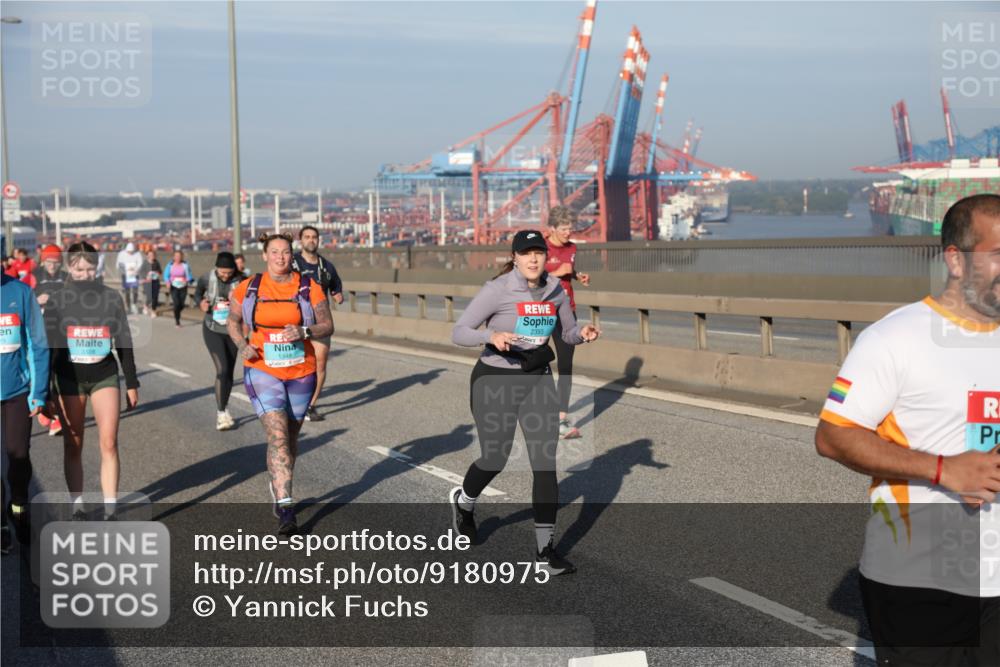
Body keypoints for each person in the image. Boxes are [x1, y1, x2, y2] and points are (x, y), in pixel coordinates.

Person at [815, 194, 1000, 665]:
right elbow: (833, 435)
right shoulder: (895, 338)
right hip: (919, 579)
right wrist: (943, 469)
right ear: (956, 260)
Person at [450, 229, 600, 575]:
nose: (533, 259)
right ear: (514, 257)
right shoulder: (497, 290)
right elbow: (459, 331)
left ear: (546, 256)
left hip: (536, 379)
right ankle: (464, 503)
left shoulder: (556, 289)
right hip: (494, 379)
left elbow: (566, 333)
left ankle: (544, 553)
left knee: (544, 464)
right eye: (526, 253)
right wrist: (491, 335)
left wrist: (582, 334)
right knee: (495, 458)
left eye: (539, 252)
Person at [227, 233, 333, 535]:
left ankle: (278, 482)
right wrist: (241, 344)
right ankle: (286, 508)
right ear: (265, 256)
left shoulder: (308, 287)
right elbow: (232, 321)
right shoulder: (249, 287)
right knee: (278, 436)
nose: (280, 257)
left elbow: (328, 324)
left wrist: (304, 331)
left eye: (286, 252)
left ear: (292, 255)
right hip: (262, 368)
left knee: (291, 436)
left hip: (301, 370)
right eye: (274, 252)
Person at [44, 242, 140, 521]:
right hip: (68, 378)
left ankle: (110, 509)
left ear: (97, 267)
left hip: (104, 375)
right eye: (79, 269)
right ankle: (78, 505)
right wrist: (46, 390)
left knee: (109, 442)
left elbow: (124, 341)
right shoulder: (57, 301)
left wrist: (132, 382)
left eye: (89, 269)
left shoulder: (111, 297)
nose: (85, 274)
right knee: (73, 444)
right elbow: (49, 348)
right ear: (69, 267)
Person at [0, 273, 49, 553]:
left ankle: (18, 506)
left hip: (17, 392)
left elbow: (37, 342)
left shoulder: (20, 292)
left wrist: (38, 391)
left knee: (18, 456)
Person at [544, 206, 590, 439]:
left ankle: (560, 420)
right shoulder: (540, 248)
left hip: (566, 311)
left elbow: (567, 269)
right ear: (552, 228)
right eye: (563, 229)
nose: (567, 233)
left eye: (569, 229)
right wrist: (557, 271)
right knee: (536, 362)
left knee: (565, 366)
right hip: (541, 311)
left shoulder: (572, 248)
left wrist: (576, 274)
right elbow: (529, 275)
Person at [291, 225, 343, 421]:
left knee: (320, 364)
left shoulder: (326, 266)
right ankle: (293, 400)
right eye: (307, 237)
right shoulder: (291, 263)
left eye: (314, 237)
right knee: (296, 363)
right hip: (296, 321)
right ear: (301, 240)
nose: (311, 240)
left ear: (318, 240)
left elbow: (336, 286)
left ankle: (310, 406)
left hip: (320, 323)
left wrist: (337, 294)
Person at [194, 252, 244, 431]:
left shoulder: (242, 280)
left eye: (229, 273)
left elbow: (252, 302)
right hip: (213, 329)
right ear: (216, 268)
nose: (226, 276)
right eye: (222, 273)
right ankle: (221, 413)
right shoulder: (206, 278)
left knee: (229, 372)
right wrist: (201, 303)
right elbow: (197, 294)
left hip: (233, 331)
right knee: (222, 369)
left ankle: (224, 407)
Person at [31, 244, 67, 437]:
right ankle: (44, 404)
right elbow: (22, 300)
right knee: (41, 373)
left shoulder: (67, 278)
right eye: (49, 261)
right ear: (43, 261)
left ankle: (56, 417)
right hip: (38, 333)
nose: (52, 265)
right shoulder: (33, 276)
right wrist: (37, 301)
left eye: (56, 262)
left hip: (61, 333)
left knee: (58, 376)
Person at [163, 250, 193, 328]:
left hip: (183, 286)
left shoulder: (185, 265)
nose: (177, 258)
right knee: (176, 304)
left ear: (182, 257)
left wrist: (187, 280)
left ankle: (176, 311)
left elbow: (189, 275)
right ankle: (177, 321)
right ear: (173, 257)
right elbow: (166, 275)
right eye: (176, 256)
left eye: (179, 256)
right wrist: (167, 282)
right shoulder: (170, 265)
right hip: (174, 286)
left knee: (182, 304)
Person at [116, 242, 143, 314]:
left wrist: (135, 270)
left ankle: (134, 304)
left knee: (135, 290)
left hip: (134, 274)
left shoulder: (137, 254)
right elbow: (118, 264)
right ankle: (128, 306)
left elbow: (140, 263)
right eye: (129, 252)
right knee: (127, 291)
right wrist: (124, 270)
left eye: (131, 252)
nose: (130, 253)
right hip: (125, 275)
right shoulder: (121, 254)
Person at [140, 250, 162, 317]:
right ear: (147, 256)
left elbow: (160, 271)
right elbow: (141, 272)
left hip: (155, 282)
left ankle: (153, 311)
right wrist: (146, 276)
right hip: (147, 282)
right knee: (150, 297)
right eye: (149, 255)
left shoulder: (156, 262)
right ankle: (146, 306)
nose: (151, 256)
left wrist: (157, 273)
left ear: (154, 256)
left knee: (155, 297)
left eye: (152, 255)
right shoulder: (145, 262)